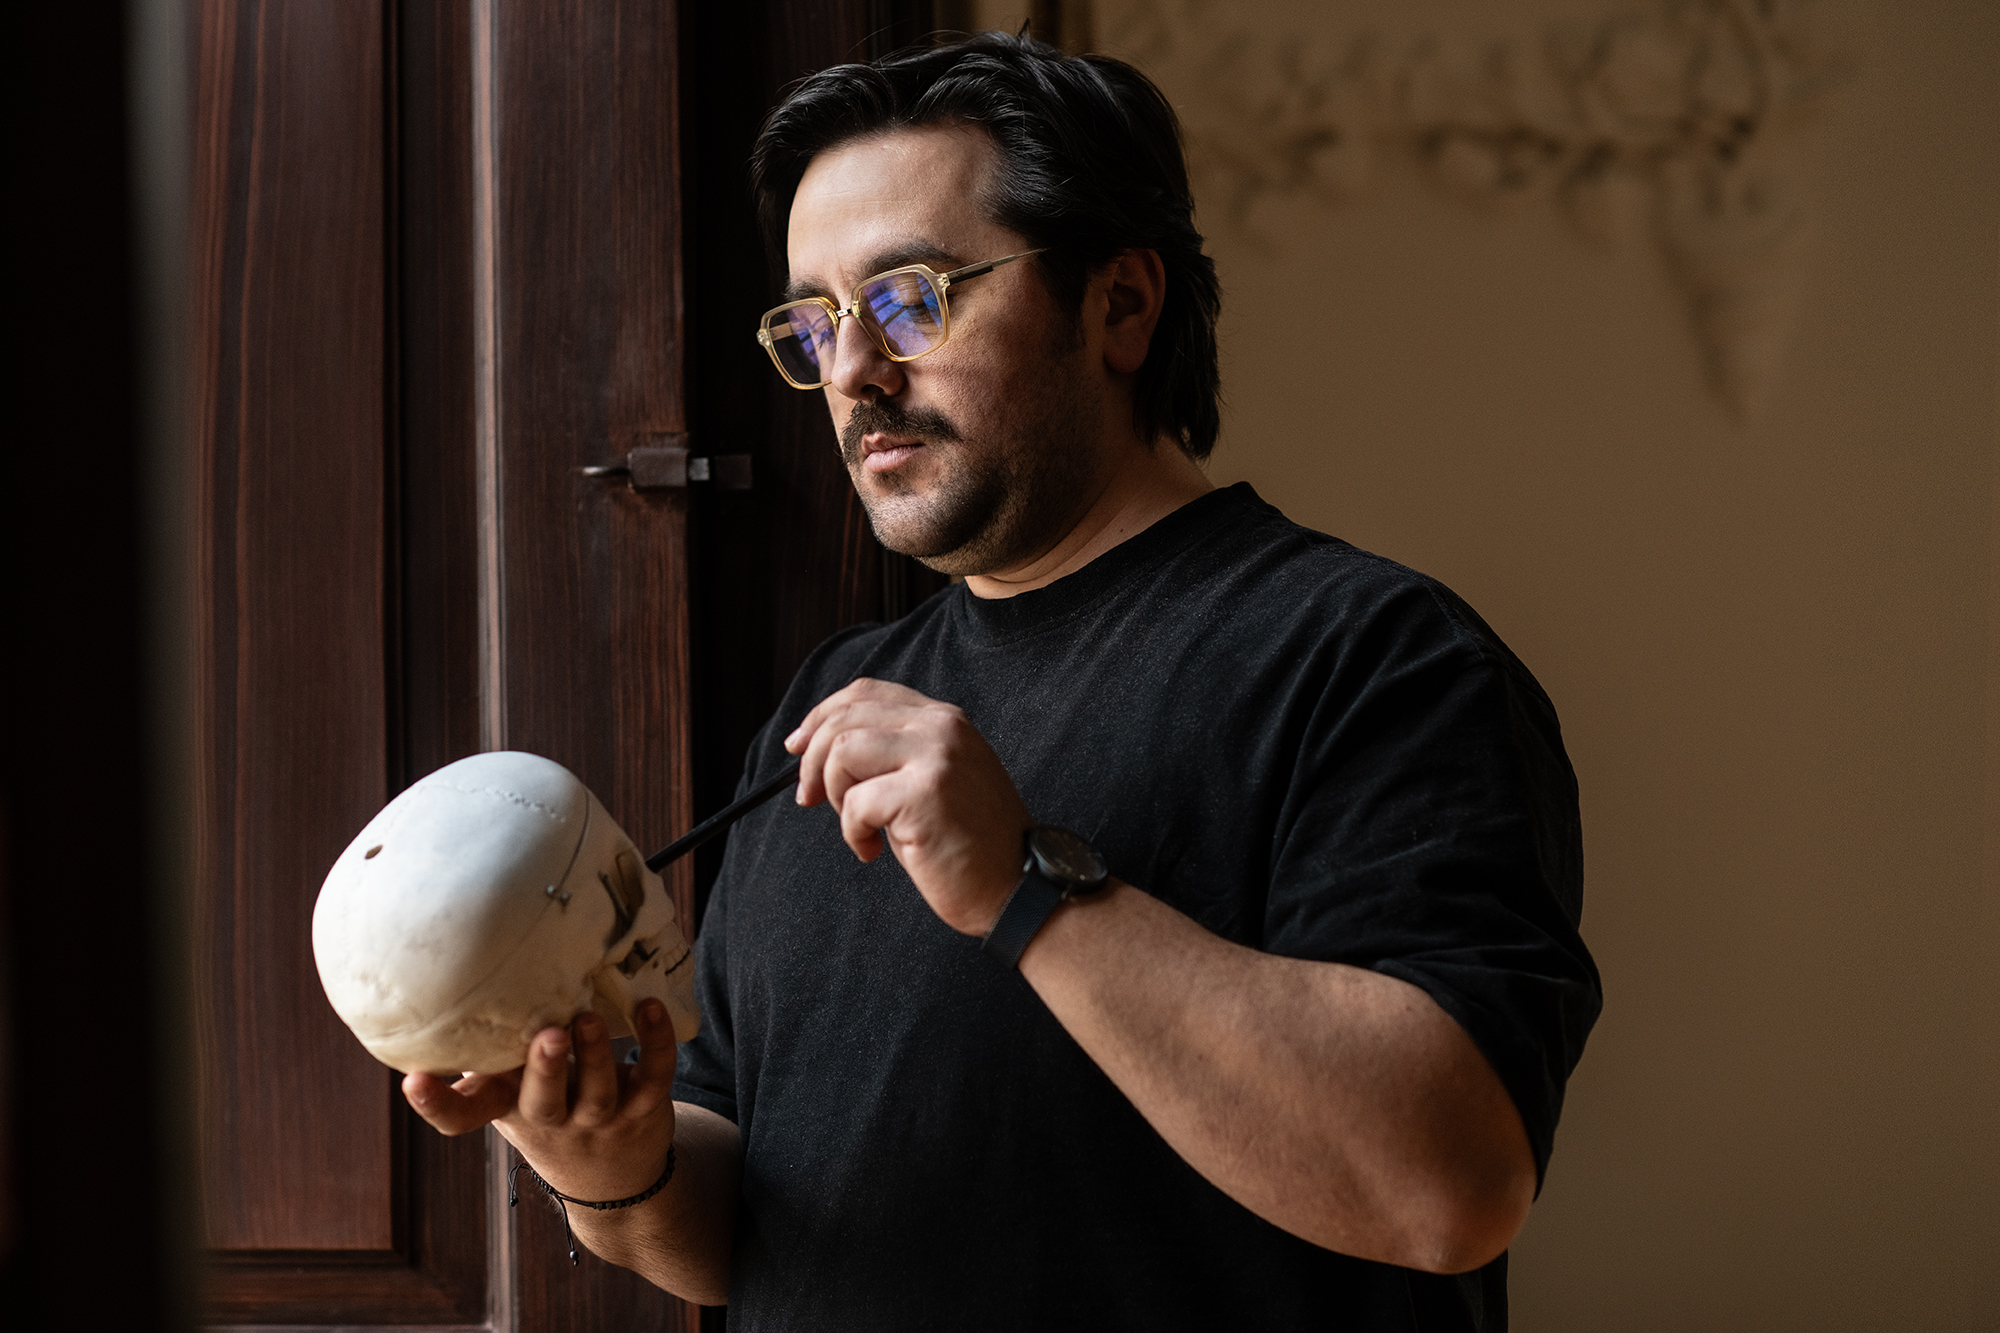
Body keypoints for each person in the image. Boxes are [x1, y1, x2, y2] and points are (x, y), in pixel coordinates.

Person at [405, 31, 1601, 1330]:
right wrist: (601, 1157)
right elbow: (745, 1230)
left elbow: (1450, 1190)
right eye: (814, 323)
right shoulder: (830, 706)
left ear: (1120, 305)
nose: (853, 370)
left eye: (912, 298)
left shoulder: (1373, 656)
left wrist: (1028, 886)